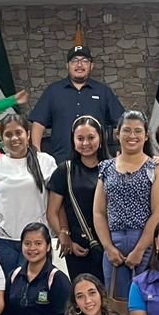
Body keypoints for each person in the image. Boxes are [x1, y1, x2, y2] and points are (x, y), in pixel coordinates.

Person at [94, 110, 159, 300]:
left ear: (146, 136)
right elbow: (98, 211)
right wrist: (108, 247)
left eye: (138, 131)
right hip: (113, 242)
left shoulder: (156, 168)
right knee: (115, 302)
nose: (132, 136)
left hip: (145, 241)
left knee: (145, 300)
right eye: (127, 130)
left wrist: (140, 249)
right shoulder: (106, 167)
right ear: (117, 133)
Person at [0, 110, 57, 273]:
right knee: (6, 286)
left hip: (37, 242)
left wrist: (62, 231)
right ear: (2, 139)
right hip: (2, 242)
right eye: (8, 135)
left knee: (37, 286)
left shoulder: (46, 161)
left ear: (27, 134)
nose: (14, 138)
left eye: (18, 133)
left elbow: (57, 204)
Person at [30, 44, 126, 163]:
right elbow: (38, 123)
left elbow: (122, 123)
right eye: (74, 61)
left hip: (97, 162)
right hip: (61, 161)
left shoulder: (103, 91)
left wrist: (124, 151)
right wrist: (37, 154)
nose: (79, 65)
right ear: (67, 65)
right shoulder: (53, 91)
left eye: (84, 61)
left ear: (91, 66)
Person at [46, 115, 108, 282]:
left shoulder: (112, 167)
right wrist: (65, 236)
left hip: (110, 246)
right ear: (73, 140)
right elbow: (52, 211)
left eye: (91, 137)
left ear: (100, 138)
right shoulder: (64, 171)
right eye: (80, 138)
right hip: (78, 247)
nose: (86, 143)